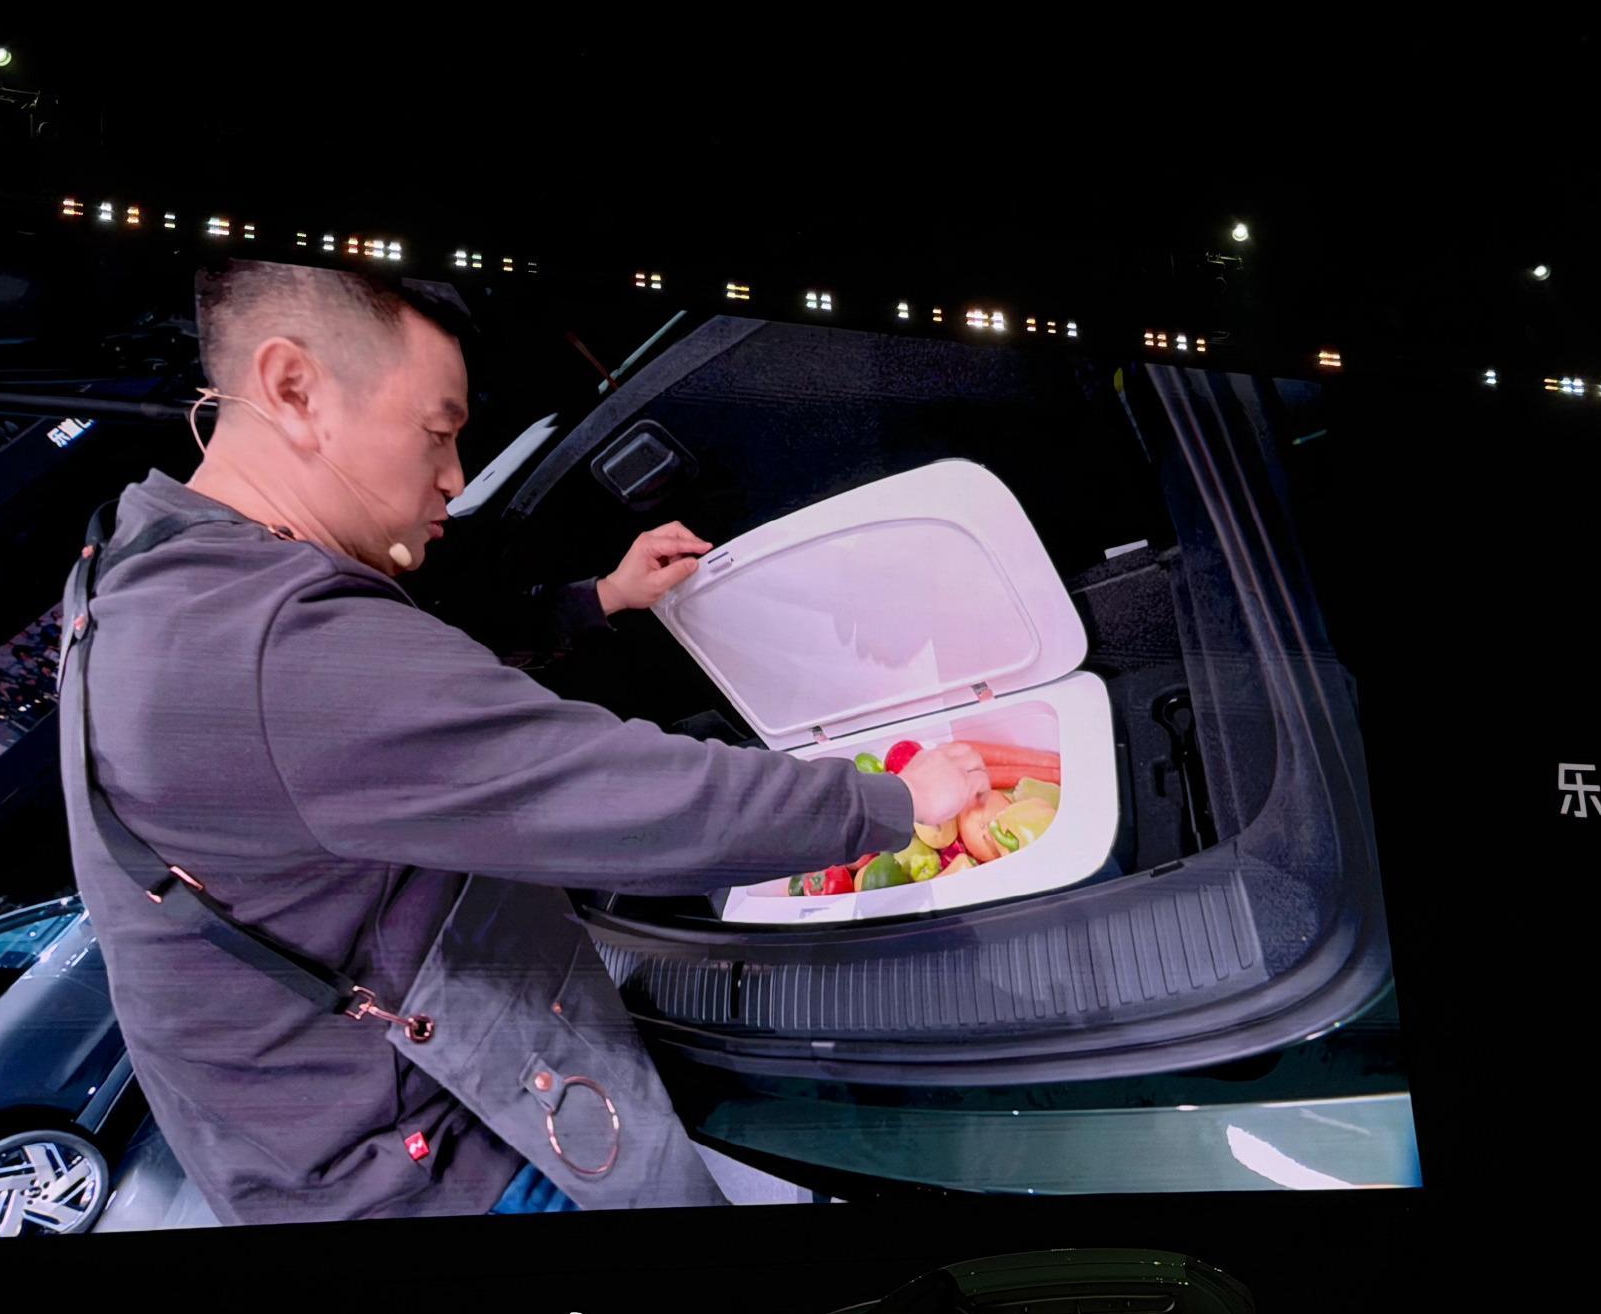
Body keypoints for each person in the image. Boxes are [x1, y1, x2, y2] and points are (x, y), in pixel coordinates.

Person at [56, 257, 991, 1227]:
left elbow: (404, 702)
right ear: (295, 388)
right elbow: (624, 794)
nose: (454, 480)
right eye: (439, 432)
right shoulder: (258, 647)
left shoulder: (145, 564)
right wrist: (892, 803)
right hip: (437, 1161)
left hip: (298, 1142)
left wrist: (599, 602)